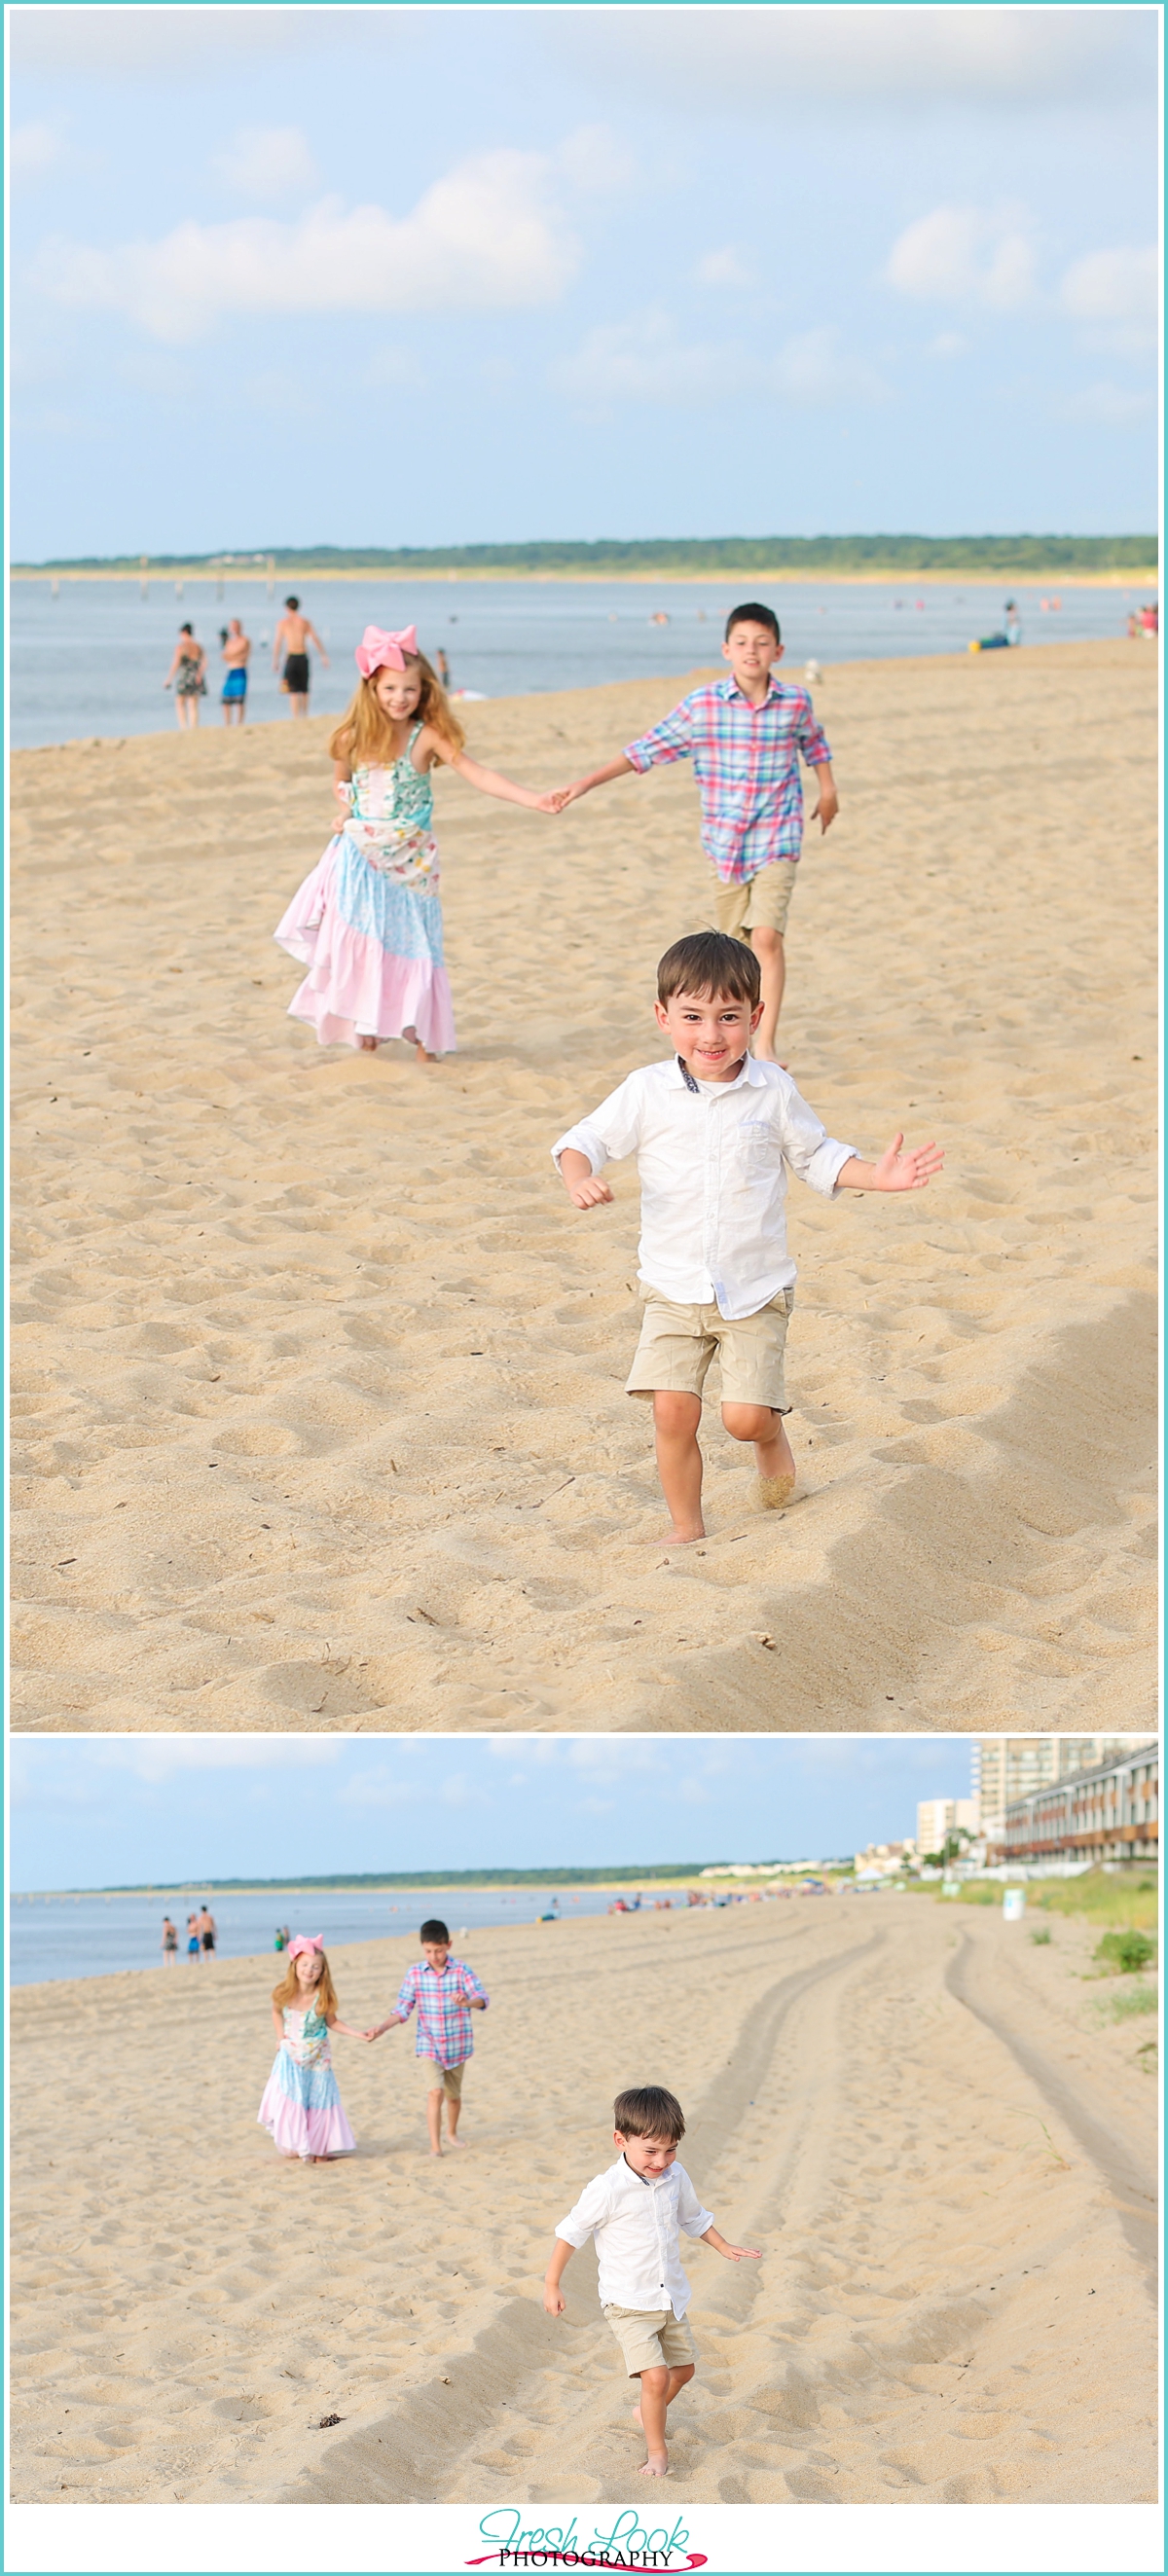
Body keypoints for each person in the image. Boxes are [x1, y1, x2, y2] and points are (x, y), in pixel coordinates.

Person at [551, 930, 943, 1545]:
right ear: (663, 1018)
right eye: (693, 1017)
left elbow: (818, 1158)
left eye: (729, 1018)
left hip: (754, 1290)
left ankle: (770, 1436)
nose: (711, 1035)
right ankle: (687, 1526)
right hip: (672, 1288)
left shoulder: (773, 1091)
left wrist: (880, 1176)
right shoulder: (645, 1090)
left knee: (743, 1418)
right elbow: (582, 1140)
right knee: (673, 1412)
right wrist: (581, 1176)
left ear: (755, 1018)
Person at [549, 603, 836, 1060]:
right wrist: (584, 783)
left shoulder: (795, 701)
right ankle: (732, 1033)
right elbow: (646, 748)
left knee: (766, 937)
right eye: (742, 643)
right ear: (726, 649)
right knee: (735, 951)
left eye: (762, 643)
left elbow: (814, 742)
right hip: (725, 845)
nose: (752, 651)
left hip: (778, 835)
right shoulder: (703, 705)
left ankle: (766, 1042)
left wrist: (827, 790)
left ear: (778, 651)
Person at [274, 623, 559, 1062]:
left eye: (409, 689)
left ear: (423, 692)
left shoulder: (426, 736)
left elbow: (477, 772)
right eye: (390, 688)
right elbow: (341, 782)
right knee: (365, 940)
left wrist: (533, 799)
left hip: (412, 859)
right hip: (359, 856)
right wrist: (346, 808)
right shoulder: (350, 737)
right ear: (372, 688)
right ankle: (365, 1024)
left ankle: (423, 1035)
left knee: (417, 943)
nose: (399, 698)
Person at [544, 2085, 759, 2480]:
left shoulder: (676, 2177)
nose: (662, 2161)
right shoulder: (607, 2189)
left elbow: (694, 2219)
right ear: (620, 2140)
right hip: (627, 2302)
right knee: (656, 2377)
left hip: (670, 2298)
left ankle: (645, 2409)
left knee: (684, 2371)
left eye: (671, 2150)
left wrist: (723, 2246)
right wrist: (552, 2283)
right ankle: (657, 2451)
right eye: (651, 2151)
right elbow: (570, 2232)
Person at [364, 1916, 488, 2157]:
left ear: (449, 1945)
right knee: (435, 2092)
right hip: (428, 2044)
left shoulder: (461, 1970)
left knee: (453, 2097)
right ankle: (435, 2147)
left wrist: (467, 2002)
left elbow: (483, 1998)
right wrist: (381, 2027)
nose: (434, 1956)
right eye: (429, 1951)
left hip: (457, 2045)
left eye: (439, 1951)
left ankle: (451, 2132)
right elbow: (403, 2009)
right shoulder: (414, 1974)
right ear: (422, 1947)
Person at [258, 1936, 368, 2164]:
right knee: (294, 2097)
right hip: (291, 2054)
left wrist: (358, 2033)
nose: (309, 1970)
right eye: (305, 1965)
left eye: (315, 1967)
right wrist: (280, 2038)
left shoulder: (323, 1996)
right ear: (295, 1966)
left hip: (318, 2055)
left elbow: (333, 2022)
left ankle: (319, 2147)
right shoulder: (283, 1991)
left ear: (322, 1971)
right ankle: (300, 2144)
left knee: (318, 2099)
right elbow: (276, 2012)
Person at [273, 597, 329, 714]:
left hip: (292, 656)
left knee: (293, 689)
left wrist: (275, 660)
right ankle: (304, 713)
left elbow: (278, 642)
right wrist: (323, 655)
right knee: (303, 688)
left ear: (286, 608)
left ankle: (296, 715)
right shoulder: (304, 622)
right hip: (302, 655)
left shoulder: (283, 623)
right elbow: (315, 639)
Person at [164, 625, 206, 729]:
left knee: (180, 702)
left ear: (183, 633)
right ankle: (194, 726)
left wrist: (169, 679)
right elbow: (205, 662)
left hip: (184, 676)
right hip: (195, 675)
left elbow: (176, 663)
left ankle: (183, 726)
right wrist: (200, 674)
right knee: (193, 704)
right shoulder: (198, 646)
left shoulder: (181, 647)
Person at [220, 617, 251, 725]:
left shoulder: (244, 640)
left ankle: (239, 722)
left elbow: (241, 654)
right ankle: (227, 723)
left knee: (239, 700)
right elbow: (224, 656)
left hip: (240, 669)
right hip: (231, 670)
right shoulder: (229, 642)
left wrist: (232, 656)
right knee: (226, 699)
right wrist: (232, 656)